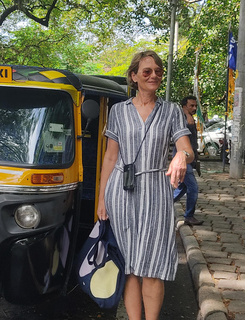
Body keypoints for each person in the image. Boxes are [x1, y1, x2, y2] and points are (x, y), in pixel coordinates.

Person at [96, 50, 195, 320]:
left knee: (152, 266)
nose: (154, 75)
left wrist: (180, 156)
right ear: (134, 76)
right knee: (129, 267)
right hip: (121, 192)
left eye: (158, 71)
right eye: (147, 71)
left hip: (155, 193)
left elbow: (187, 149)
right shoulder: (118, 111)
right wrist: (102, 199)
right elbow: (110, 156)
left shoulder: (172, 110)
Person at [173, 96, 204, 226]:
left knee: (182, 187)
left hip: (190, 158)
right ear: (184, 106)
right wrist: (186, 116)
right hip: (183, 158)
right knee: (193, 187)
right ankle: (189, 216)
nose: (194, 108)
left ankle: (162, 205)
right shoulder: (182, 119)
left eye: (195, 106)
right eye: (191, 106)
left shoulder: (190, 119)